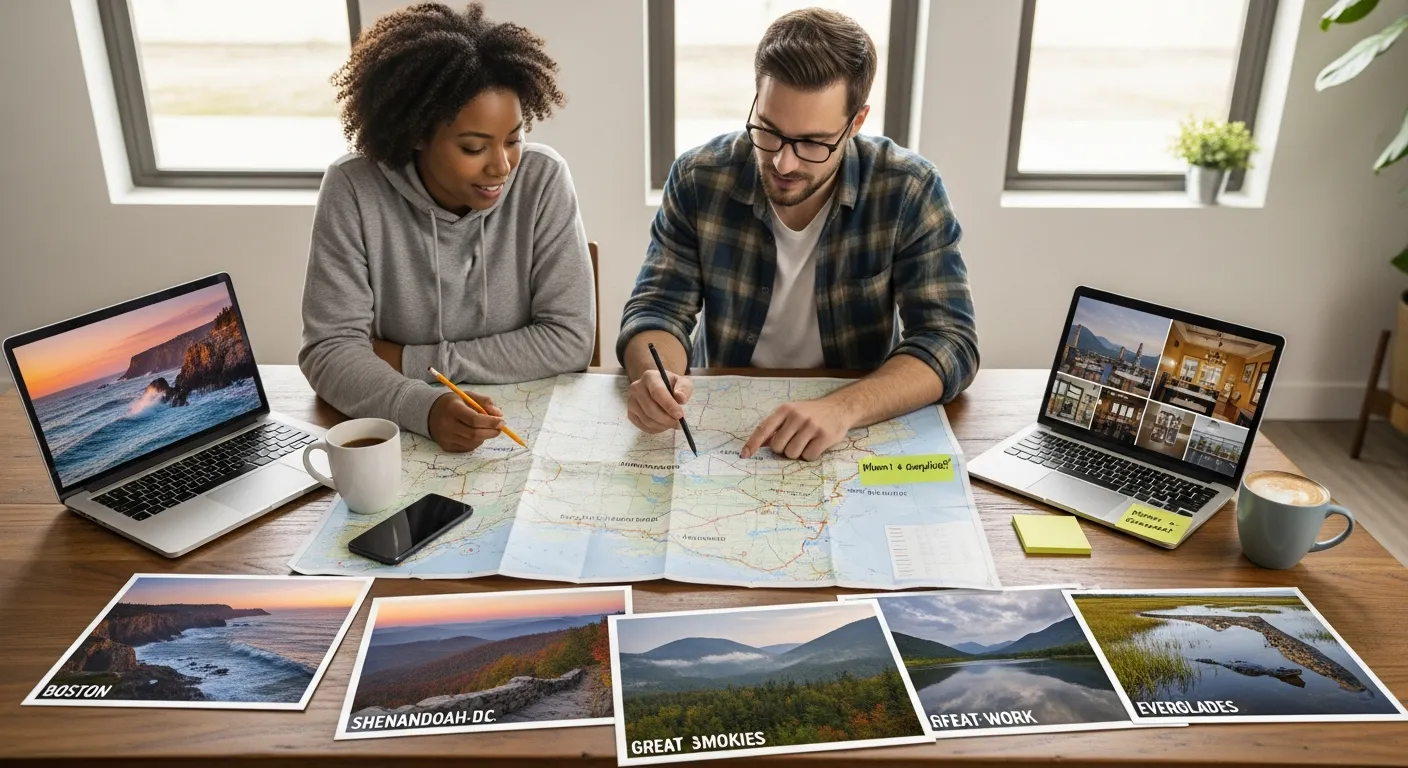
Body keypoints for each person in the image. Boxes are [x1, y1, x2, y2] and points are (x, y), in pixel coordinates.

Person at [618, 8, 978, 461]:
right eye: (768, 131)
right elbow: (656, 309)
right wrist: (657, 378)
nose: (784, 164)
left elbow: (950, 340)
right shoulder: (699, 177)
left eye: (812, 142)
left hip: (851, 431)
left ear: (857, 122)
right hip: (724, 429)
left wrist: (843, 408)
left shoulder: (908, 189)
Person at [300, 2, 594, 453]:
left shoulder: (542, 178)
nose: (502, 166)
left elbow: (569, 341)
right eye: (474, 147)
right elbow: (330, 350)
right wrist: (424, 406)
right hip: (405, 436)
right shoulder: (353, 189)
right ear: (418, 134)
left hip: (531, 432)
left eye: (514, 139)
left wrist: (407, 359)